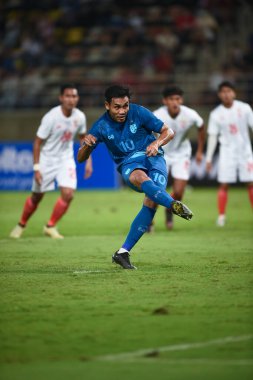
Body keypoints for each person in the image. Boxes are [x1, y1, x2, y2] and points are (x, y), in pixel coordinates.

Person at [77, 85, 193, 270]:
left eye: (125, 106)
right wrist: (86, 146)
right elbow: (81, 158)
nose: (122, 111)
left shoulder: (139, 112)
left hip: (155, 159)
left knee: (152, 200)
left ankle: (122, 252)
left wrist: (156, 142)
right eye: (117, 107)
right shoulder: (101, 126)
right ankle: (172, 205)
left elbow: (168, 132)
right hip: (129, 164)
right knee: (140, 177)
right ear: (107, 105)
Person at [10, 84, 93, 239]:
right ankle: (21, 224)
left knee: (68, 194)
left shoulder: (79, 116)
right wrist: (36, 168)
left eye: (74, 96)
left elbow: (83, 138)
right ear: (61, 98)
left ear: (77, 98)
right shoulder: (51, 117)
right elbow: (37, 143)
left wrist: (89, 161)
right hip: (47, 159)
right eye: (68, 96)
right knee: (37, 197)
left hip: (66, 159)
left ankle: (50, 226)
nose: (71, 99)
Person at [150, 86, 205, 230]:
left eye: (177, 99)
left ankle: (169, 212)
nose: (175, 102)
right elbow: (146, 131)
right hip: (161, 155)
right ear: (165, 101)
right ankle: (148, 220)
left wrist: (200, 150)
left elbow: (201, 126)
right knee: (157, 189)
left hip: (182, 154)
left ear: (181, 100)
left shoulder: (190, 114)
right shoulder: (157, 115)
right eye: (171, 99)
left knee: (179, 192)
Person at [206, 81, 253, 226]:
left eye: (229, 91)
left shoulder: (244, 108)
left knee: (250, 183)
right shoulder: (216, 114)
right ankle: (221, 216)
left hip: (245, 152)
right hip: (227, 153)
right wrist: (208, 158)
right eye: (223, 92)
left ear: (234, 93)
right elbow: (213, 136)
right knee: (224, 184)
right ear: (220, 94)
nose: (226, 94)